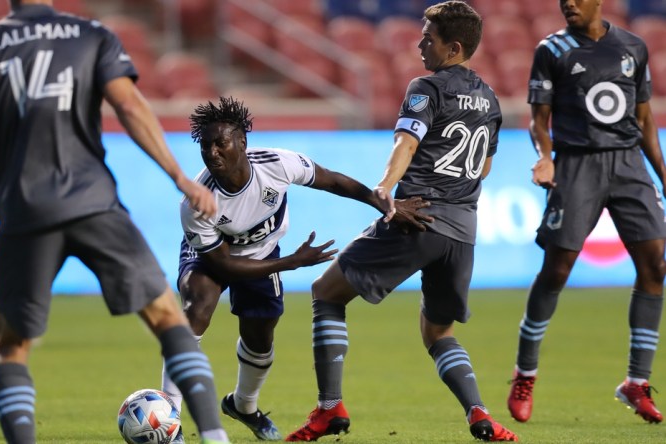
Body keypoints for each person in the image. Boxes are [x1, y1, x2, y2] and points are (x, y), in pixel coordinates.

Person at [0, 1, 232, 443]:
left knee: (11, 350)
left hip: (23, 214)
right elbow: (131, 107)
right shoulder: (90, 35)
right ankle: (213, 436)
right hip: (93, 203)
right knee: (168, 318)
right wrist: (179, 177)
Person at [285, 1, 518, 442]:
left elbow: (406, 142)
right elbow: (483, 168)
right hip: (463, 232)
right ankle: (479, 414)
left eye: (427, 38)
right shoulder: (490, 98)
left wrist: (385, 187)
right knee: (437, 329)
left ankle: (329, 408)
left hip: (418, 217)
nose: (418, 44)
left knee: (326, 293)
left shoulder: (425, 87)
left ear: (453, 46)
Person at [160, 96, 432, 441]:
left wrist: (383, 204)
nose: (212, 152)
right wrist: (291, 262)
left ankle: (243, 405)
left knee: (260, 339)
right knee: (197, 304)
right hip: (215, 257)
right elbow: (223, 265)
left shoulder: (277, 164)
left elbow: (332, 181)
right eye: (205, 145)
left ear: (242, 142)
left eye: (220, 143)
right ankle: (169, 416)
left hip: (262, 253)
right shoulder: (196, 202)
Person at [507, 0, 666, 425]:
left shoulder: (633, 47)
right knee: (557, 270)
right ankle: (525, 372)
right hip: (577, 165)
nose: (568, 4)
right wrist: (545, 156)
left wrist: (663, 176)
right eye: (563, 0)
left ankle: (636, 381)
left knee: (654, 265)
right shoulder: (552, 50)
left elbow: (645, 117)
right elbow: (539, 119)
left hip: (628, 163)